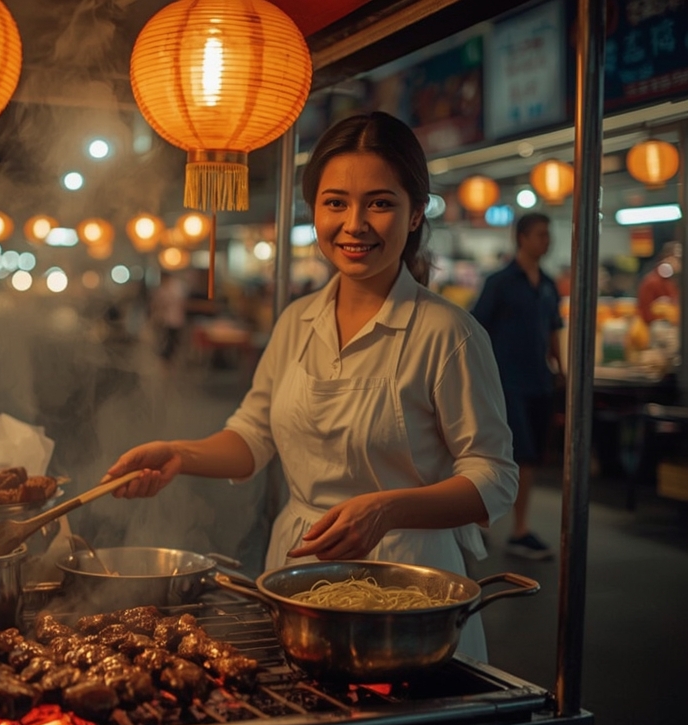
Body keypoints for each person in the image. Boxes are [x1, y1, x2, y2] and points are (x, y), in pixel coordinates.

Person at [103, 112, 518, 662]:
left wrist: (387, 510)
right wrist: (178, 453)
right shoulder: (298, 320)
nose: (355, 224)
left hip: (410, 587)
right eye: (336, 202)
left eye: (380, 202)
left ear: (415, 213)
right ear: (314, 210)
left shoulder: (449, 333)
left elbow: (494, 476)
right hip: (299, 577)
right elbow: (253, 434)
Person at [471, 212, 564, 560]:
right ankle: (491, 525)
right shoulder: (500, 282)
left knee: (531, 458)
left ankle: (517, 528)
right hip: (505, 381)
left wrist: (560, 368)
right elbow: (476, 327)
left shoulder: (549, 284)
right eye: (541, 234)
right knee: (506, 453)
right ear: (521, 238)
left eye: (548, 234)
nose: (547, 241)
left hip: (538, 380)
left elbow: (553, 328)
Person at [636, 242, 682, 323]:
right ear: (667, 259)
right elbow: (646, 314)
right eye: (678, 259)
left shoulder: (676, 282)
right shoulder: (652, 282)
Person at [150, 271, 188, 365]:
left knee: (173, 339)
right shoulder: (163, 288)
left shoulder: (177, 287)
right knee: (165, 339)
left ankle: (170, 358)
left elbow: (181, 302)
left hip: (175, 317)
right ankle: (166, 358)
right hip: (164, 318)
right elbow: (156, 302)